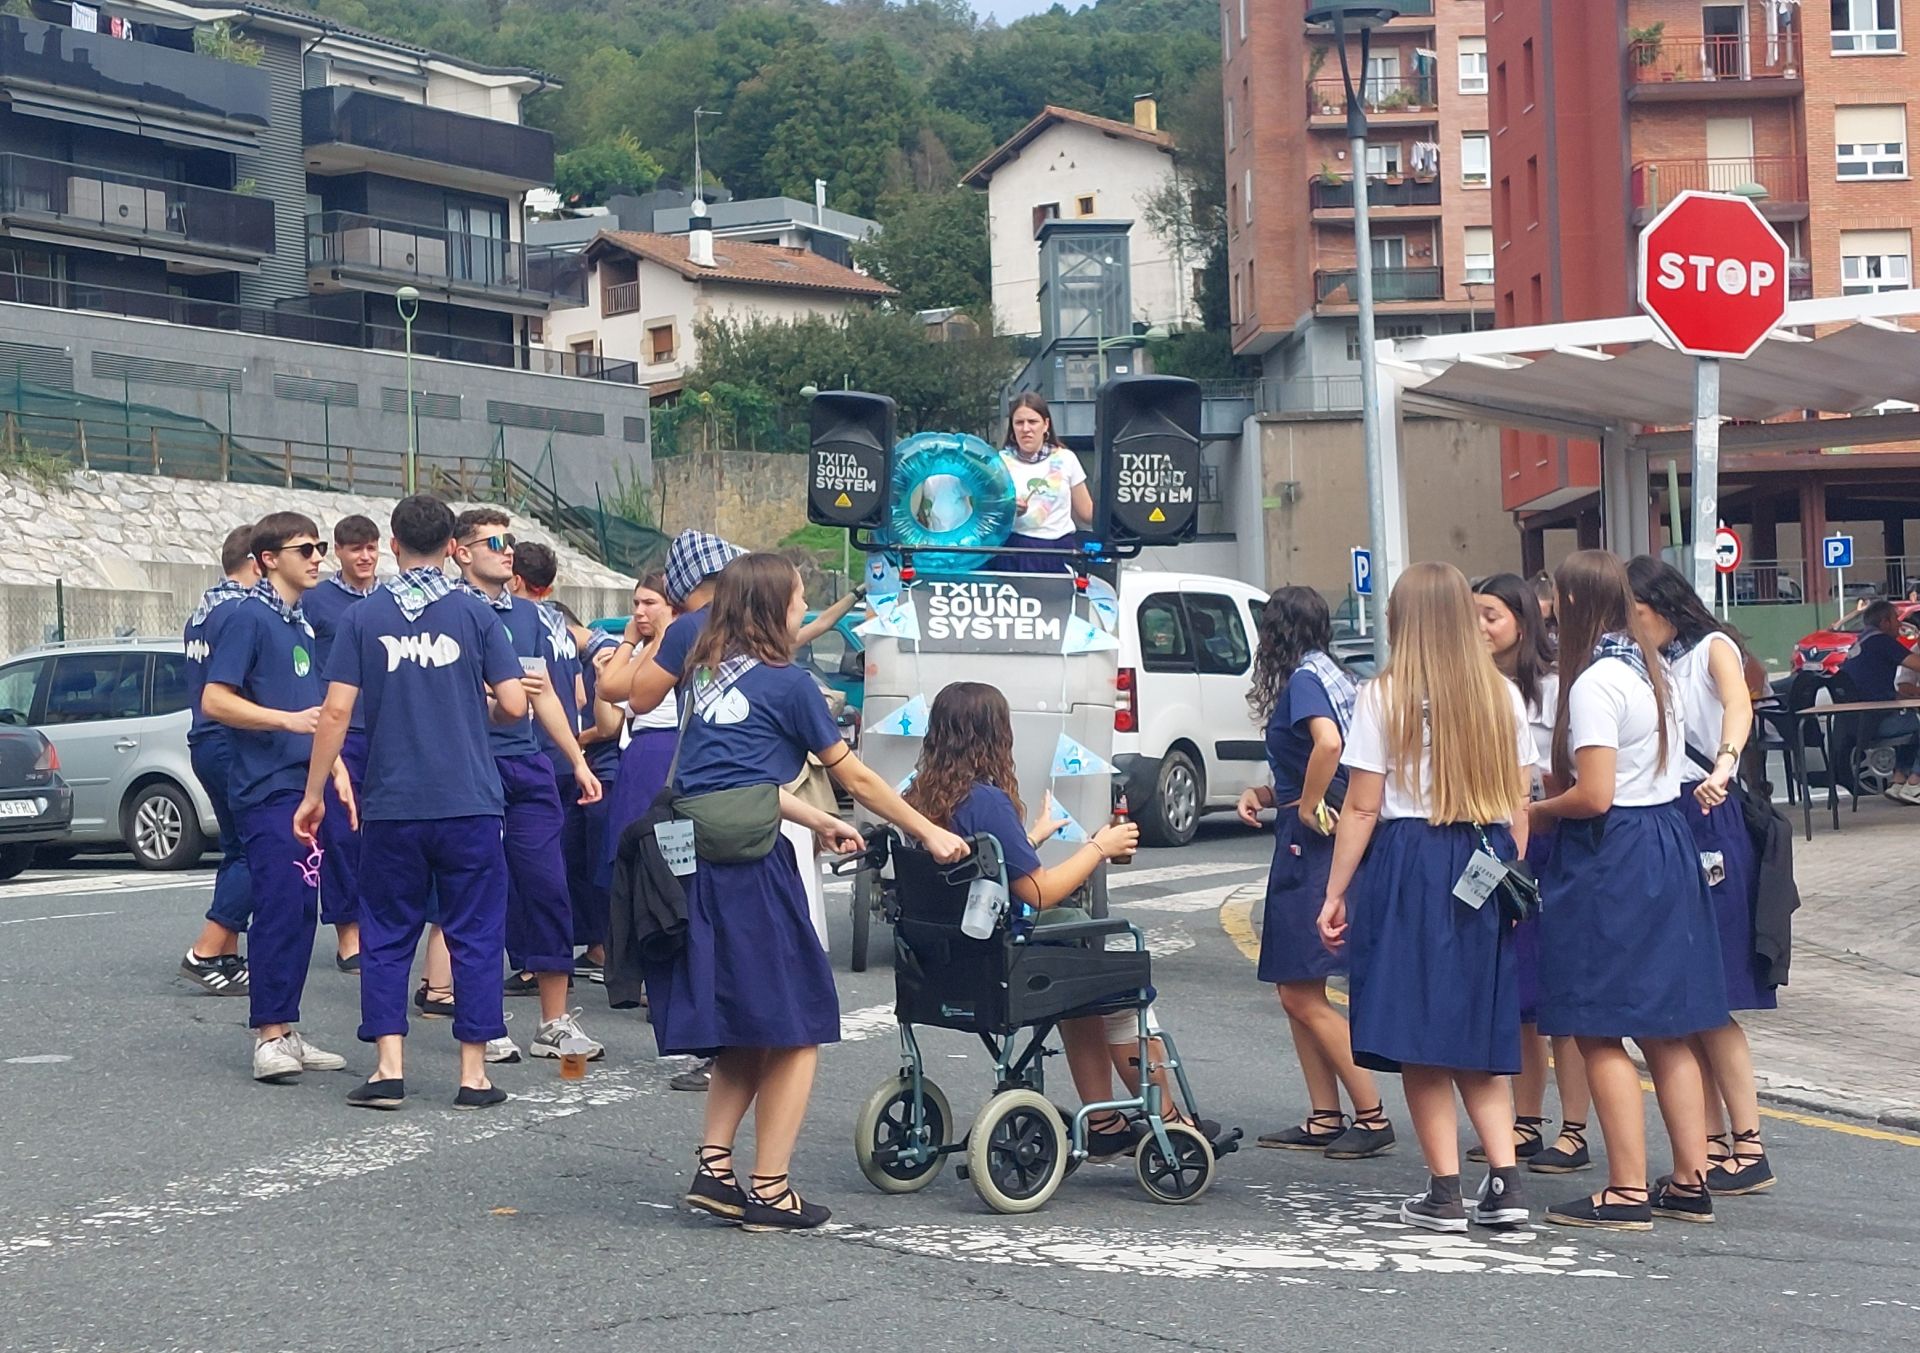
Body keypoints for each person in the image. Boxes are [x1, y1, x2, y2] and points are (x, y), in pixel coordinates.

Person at [657, 553, 967, 1231]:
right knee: (799, 1023)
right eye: (798, 600)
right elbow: (857, 776)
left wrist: (817, 818)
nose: (803, 610)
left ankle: (715, 1169)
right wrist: (927, 831)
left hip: (700, 860)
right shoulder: (788, 683)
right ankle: (769, 1189)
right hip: (753, 865)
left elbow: (736, 777)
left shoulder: (704, 675)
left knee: (750, 1020)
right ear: (772, 608)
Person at [906, 683, 1221, 1160]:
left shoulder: (921, 795)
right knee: (1117, 989)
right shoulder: (986, 799)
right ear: (994, 734)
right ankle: (1171, 1122)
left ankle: (1105, 1120)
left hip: (949, 958)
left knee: (1081, 987)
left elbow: (981, 874)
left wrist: (1033, 835)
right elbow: (1038, 891)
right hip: (1005, 957)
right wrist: (1099, 848)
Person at [1318, 562, 1535, 1233]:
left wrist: (1336, 891)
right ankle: (1504, 1179)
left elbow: (1360, 806)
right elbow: (1519, 804)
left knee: (1419, 1032)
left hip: (1410, 860)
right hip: (1482, 857)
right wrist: (1510, 869)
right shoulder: (1501, 696)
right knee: (1471, 1023)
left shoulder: (1384, 696)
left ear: (1401, 620)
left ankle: (1444, 1190)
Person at [297, 494, 527, 1110]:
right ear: (452, 547)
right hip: (470, 801)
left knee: (387, 931)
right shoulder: (476, 615)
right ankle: (473, 1074)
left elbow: (338, 710)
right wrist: (469, 704)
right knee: (475, 931)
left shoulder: (362, 618)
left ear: (393, 546)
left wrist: (315, 791)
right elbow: (514, 704)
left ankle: (389, 1067)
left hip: (393, 802)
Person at [1530, 549, 1728, 1231]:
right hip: (1666, 841)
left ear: (1580, 603)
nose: (1547, 611)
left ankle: (1624, 1188)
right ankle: (1690, 1178)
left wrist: (1535, 810)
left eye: (1555, 598)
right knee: (1666, 1027)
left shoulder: (1595, 683)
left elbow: (1593, 794)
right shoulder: (1657, 672)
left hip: (1611, 851)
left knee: (1596, 1024)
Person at [1627, 555, 1777, 1197]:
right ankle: (1712, 1144)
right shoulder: (1643, 664)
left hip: (1711, 812)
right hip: (1669, 819)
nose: (1627, 625)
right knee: (1686, 995)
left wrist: (1723, 765)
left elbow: (1738, 708)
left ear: (1658, 605)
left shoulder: (1713, 646)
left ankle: (1748, 1146)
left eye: (1632, 612)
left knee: (1712, 996)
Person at [1236, 587, 1396, 1161]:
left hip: (1311, 846)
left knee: (1303, 993)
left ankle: (1371, 1114)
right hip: (1317, 838)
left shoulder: (1303, 679)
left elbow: (1327, 745)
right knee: (1294, 990)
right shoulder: (1336, 673)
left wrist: (1303, 805)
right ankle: (1323, 1114)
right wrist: (1267, 791)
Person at [200, 512, 352, 1083]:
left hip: (301, 784)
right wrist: (284, 721)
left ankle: (285, 1027)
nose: (318, 557)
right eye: (305, 548)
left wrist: (333, 764)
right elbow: (216, 699)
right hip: (266, 789)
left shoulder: (300, 624)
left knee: (300, 908)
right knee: (280, 905)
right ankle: (268, 1036)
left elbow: (317, 711)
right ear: (269, 559)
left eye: (318, 547)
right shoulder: (247, 618)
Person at [452, 509, 605, 1062]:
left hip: (532, 763)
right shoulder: (448, 612)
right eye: (493, 541)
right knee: (482, 895)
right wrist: (496, 702)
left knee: (548, 885)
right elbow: (443, 699)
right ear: (460, 551)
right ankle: (485, 1022)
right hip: (472, 769)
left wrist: (577, 760)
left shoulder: (533, 616)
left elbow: (543, 695)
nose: (506, 549)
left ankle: (554, 1022)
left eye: (510, 541)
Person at [1469, 574, 1592, 1175]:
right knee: (1517, 1000)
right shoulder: (1478, 687)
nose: (1480, 627)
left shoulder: (1552, 687)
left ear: (1521, 617)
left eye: (1489, 615)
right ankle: (1526, 1120)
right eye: (1473, 616)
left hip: (1551, 848)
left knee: (1558, 999)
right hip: (1501, 844)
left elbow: (1567, 772)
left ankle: (1574, 1128)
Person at [505, 542, 592, 989]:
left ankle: (530, 960)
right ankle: (561, 954)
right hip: (567, 748)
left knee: (521, 867)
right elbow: (578, 695)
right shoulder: (559, 622)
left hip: (531, 746)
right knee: (556, 863)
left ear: (516, 579)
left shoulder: (517, 622)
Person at [179, 523, 259, 996]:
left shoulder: (201, 612)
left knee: (234, 847)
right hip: (232, 738)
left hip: (204, 739)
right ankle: (206, 949)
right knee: (255, 847)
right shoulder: (242, 613)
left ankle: (225, 952)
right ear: (256, 561)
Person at [301, 513, 380, 973]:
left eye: (371, 547)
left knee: (383, 835)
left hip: (388, 732)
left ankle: (378, 925)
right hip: (341, 734)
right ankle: (348, 934)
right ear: (340, 552)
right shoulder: (318, 602)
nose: (365, 556)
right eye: (355, 549)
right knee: (343, 835)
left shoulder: (390, 600)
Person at [992, 393, 1093, 573]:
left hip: (1059, 552)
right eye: (1019, 423)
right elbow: (986, 513)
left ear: (1046, 424)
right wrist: (1008, 509)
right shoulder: (999, 463)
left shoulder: (1066, 459)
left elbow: (1087, 512)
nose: (1026, 429)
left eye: (1032, 421)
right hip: (1013, 552)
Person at [1838, 598, 1920, 802]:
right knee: (1915, 724)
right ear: (1884, 623)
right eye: (1895, 620)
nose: (1900, 625)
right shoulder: (1881, 641)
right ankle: (1915, 782)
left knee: (1909, 719)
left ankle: (1899, 779)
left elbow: (1873, 684)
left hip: (1856, 721)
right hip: (1874, 721)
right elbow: (1916, 664)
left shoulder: (1861, 642)